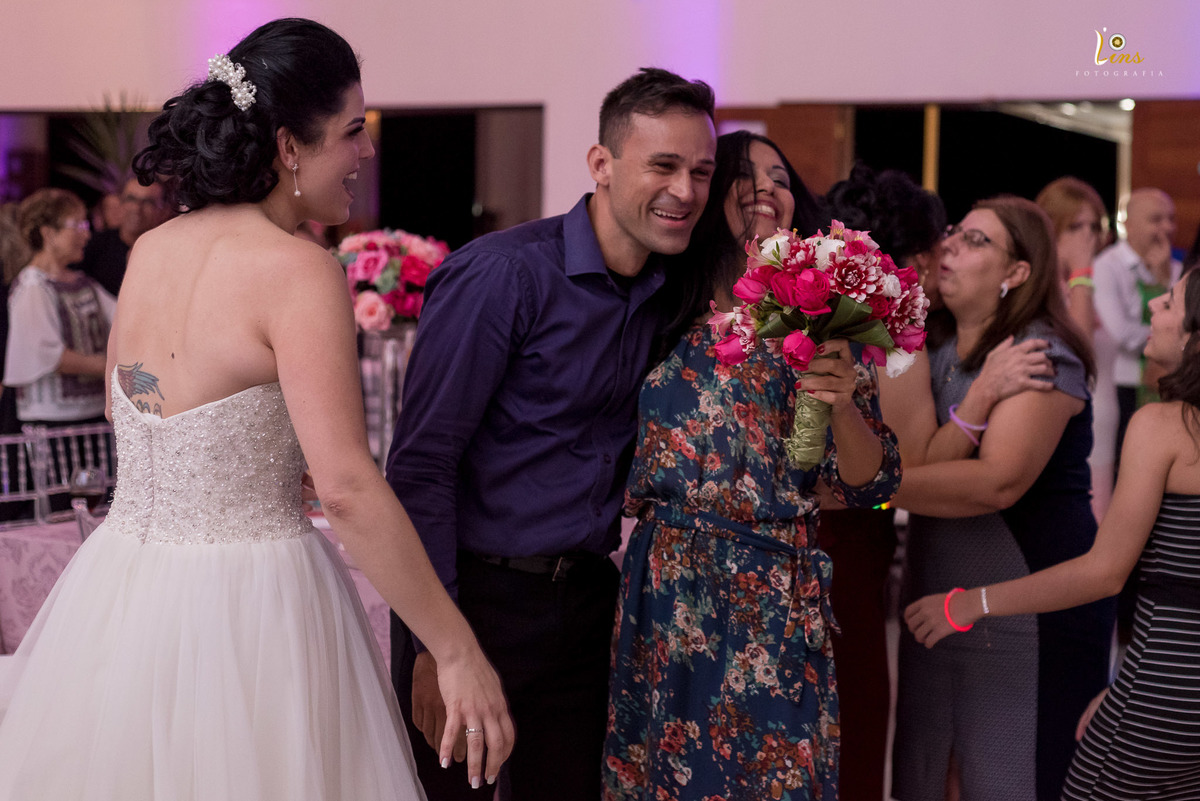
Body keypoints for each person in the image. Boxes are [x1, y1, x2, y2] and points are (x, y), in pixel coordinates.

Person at [0, 18, 513, 799]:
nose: (366, 152)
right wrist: (455, 648)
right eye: (352, 131)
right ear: (288, 147)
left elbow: (127, 395)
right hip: (250, 606)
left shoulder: (152, 250)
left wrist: (236, 458)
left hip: (125, 589)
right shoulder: (300, 271)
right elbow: (347, 488)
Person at [386, 67, 717, 801]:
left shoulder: (666, 290)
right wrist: (434, 645)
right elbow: (421, 466)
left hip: (588, 603)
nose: (685, 190)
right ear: (601, 163)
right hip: (477, 601)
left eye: (700, 171)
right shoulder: (503, 276)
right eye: (663, 165)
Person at [603, 131, 900, 800]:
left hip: (769, 593)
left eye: (780, 177)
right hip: (665, 589)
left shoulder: (821, 326)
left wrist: (840, 401)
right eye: (745, 172)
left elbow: (874, 485)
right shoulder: (657, 308)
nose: (767, 187)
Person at [905, 267, 1200, 800]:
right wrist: (1122, 690)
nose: (1155, 306)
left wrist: (969, 604)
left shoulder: (1165, 427)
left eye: (1172, 303)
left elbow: (1103, 573)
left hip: (1167, 687)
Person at [889, 196, 1114, 801]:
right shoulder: (932, 346)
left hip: (1024, 609)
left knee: (1009, 780)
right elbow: (920, 463)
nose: (951, 245)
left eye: (977, 240)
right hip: (934, 599)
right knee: (930, 775)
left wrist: (866, 487)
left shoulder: (1037, 351)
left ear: (1017, 272)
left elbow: (998, 483)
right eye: (955, 232)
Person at [1036, 176, 1118, 518]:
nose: (1088, 236)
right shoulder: (1045, 287)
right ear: (1051, 228)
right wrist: (1082, 271)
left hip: (1105, 411)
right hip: (1066, 413)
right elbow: (1080, 349)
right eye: (1075, 226)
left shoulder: (1102, 277)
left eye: (1093, 226)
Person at [3, 187, 114, 427]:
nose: (86, 234)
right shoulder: (33, 286)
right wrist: (112, 366)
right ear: (49, 233)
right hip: (53, 419)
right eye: (78, 225)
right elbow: (50, 355)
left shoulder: (84, 283)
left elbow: (121, 318)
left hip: (94, 412)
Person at [1093, 187, 1181, 466]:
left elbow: (1187, 325)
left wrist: (1164, 278)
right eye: (1156, 219)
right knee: (1127, 465)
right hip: (1125, 384)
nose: (1167, 228)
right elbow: (1121, 335)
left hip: (1168, 384)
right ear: (1128, 224)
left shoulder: (1175, 268)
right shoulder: (1107, 266)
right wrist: (1172, 338)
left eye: (1171, 219)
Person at [76, 175, 171, 296]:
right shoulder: (93, 246)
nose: (137, 208)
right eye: (131, 199)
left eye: (148, 202)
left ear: (164, 211)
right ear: (120, 204)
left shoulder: (170, 255)